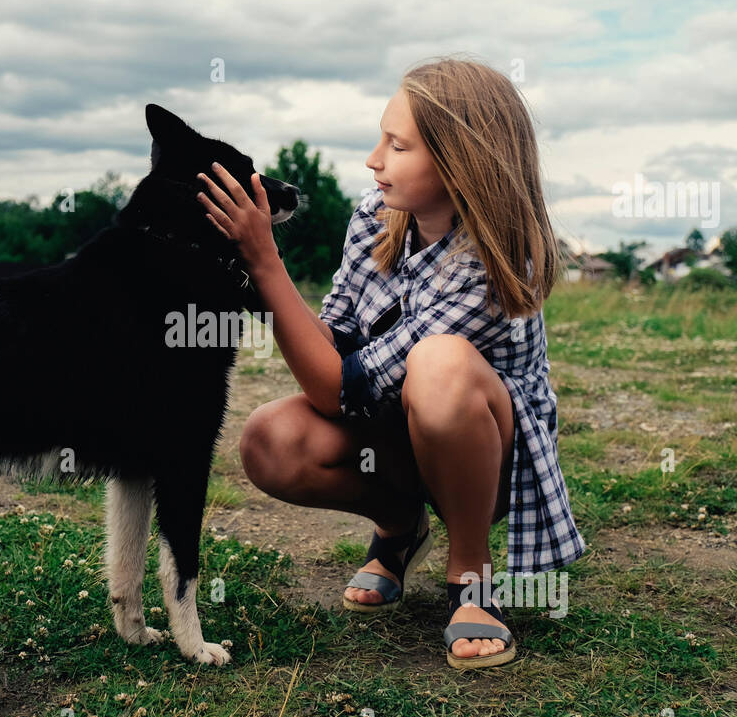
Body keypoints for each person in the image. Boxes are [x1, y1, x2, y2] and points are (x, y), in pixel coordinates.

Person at [196, 56, 585, 670]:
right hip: (396, 427)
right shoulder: (374, 216)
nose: (373, 159)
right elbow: (338, 336)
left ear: (460, 161)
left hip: (486, 452)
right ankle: (401, 525)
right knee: (269, 439)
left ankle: (471, 571)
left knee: (440, 366)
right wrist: (242, 272)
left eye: (396, 145)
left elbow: (337, 390)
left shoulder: (486, 262)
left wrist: (266, 263)